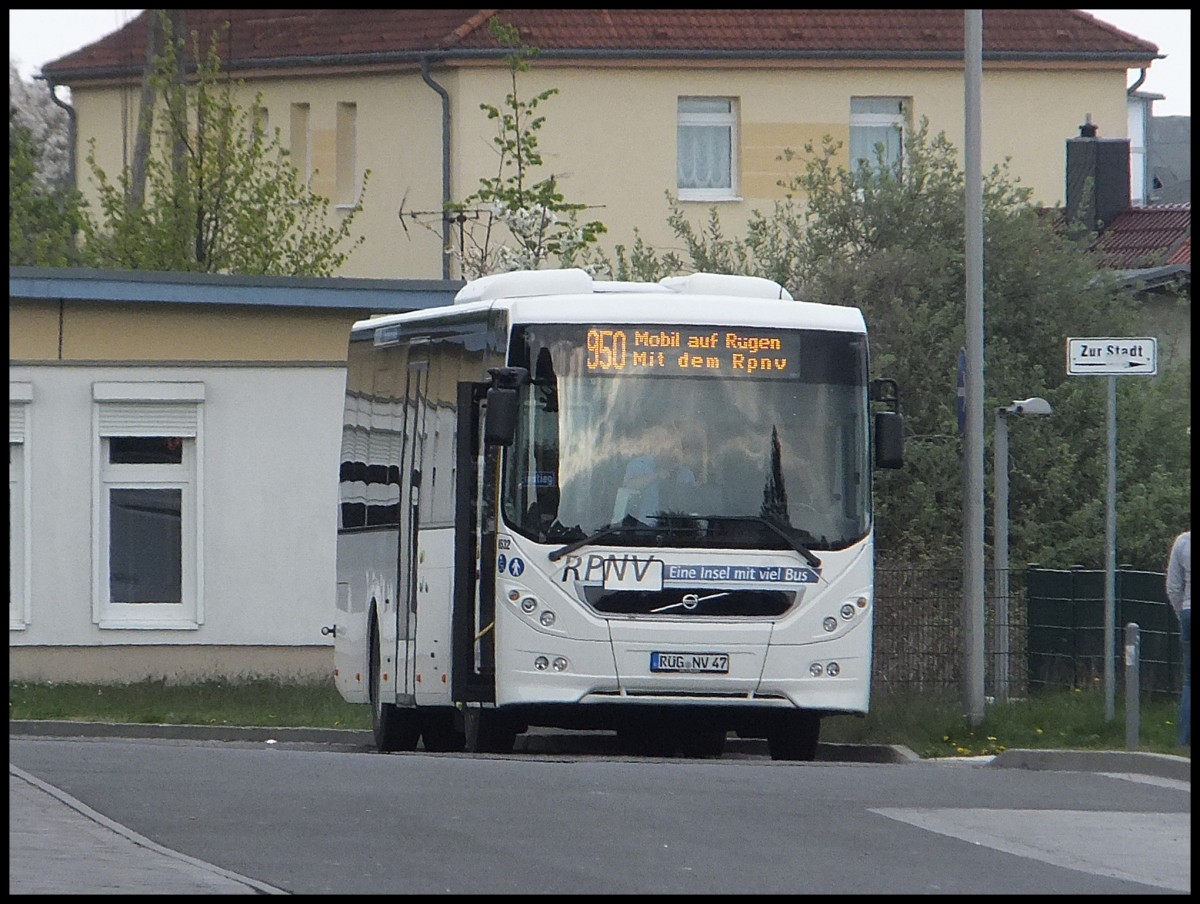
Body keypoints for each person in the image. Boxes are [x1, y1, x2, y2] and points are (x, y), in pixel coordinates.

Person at [618, 425, 696, 520]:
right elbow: (629, 487)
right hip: (643, 527)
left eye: (678, 448)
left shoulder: (686, 475)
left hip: (677, 528)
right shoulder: (639, 465)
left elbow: (692, 504)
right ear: (659, 446)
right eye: (671, 448)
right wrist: (656, 475)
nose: (675, 453)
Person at [1165, 529, 1190, 747]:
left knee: (1190, 679)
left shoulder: (1183, 542)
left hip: (1188, 611)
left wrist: (1181, 613)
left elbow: (1173, 586)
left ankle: (1184, 741)